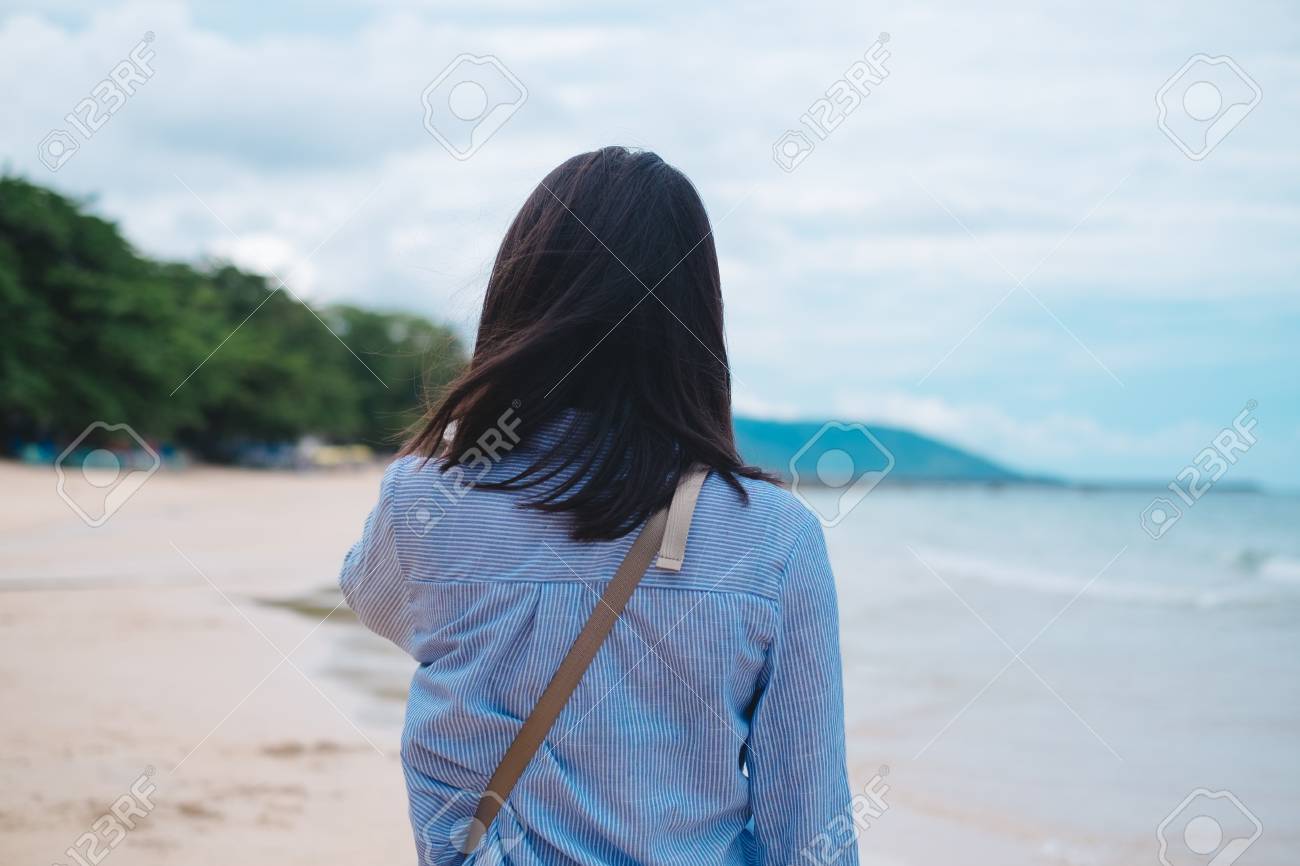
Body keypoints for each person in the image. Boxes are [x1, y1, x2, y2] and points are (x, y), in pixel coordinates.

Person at [341, 146, 856, 865]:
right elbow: (808, 825)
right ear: (697, 321)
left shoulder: (428, 497)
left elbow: (381, 604)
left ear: (521, 297)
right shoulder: (776, 538)